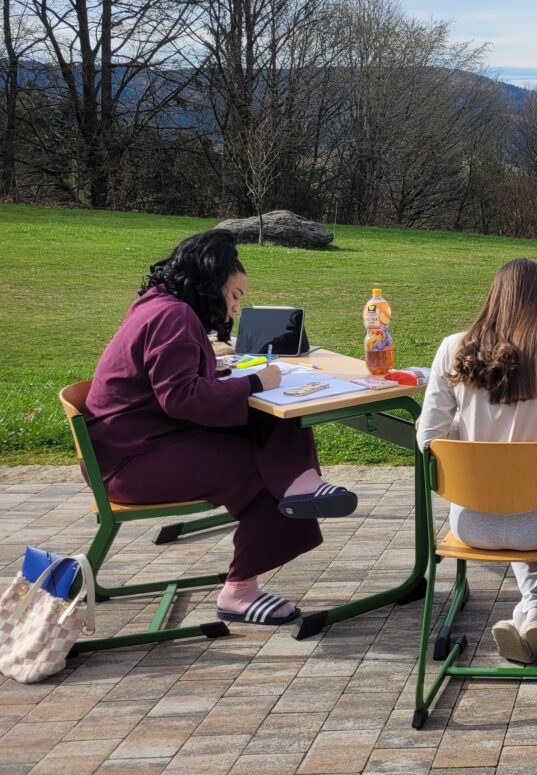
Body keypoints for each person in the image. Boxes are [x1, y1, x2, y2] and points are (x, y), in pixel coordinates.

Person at [86, 230, 355, 627]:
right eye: (234, 296)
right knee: (264, 473)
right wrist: (251, 383)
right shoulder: (172, 316)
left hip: (137, 444)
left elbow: (169, 381)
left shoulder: (159, 305)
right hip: (132, 463)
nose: (233, 310)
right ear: (211, 283)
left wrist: (218, 368)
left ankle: (302, 483)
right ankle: (240, 591)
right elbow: (180, 397)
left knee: (269, 425)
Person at [417, 259, 537, 664]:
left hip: (471, 523)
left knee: (518, 498)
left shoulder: (453, 347)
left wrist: (469, 433)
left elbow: (426, 438)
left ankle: (531, 611)